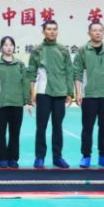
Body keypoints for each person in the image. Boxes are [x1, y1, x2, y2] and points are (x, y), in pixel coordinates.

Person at [73, 21, 104, 170]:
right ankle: (86, 156)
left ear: (103, 32)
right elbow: (77, 72)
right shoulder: (83, 50)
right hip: (89, 95)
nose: (97, 33)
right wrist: (78, 92)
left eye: (100, 30)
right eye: (94, 30)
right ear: (89, 33)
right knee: (87, 128)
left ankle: (103, 156)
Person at [28, 19, 74, 170]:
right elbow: (31, 73)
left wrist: (69, 92)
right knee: (41, 126)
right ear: (43, 31)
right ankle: (39, 157)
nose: (52, 31)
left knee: (57, 126)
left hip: (60, 93)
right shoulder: (37, 50)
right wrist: (31, 93)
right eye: (49, 29)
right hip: (43, 93)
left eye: (54, 29)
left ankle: (57, 157)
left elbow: (69, 72)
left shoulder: (63, 50)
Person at [0, 35, 32, 169]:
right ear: (1, 48)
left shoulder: (20, 65)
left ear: (14, 47)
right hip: (0, 104)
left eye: (11, 45)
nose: (8, 47)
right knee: (0, 133)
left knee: (14, 132)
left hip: (16, 103)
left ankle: (13, 158)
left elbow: (25, 83)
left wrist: (27, 101)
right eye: (5, 45)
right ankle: (2, 158)